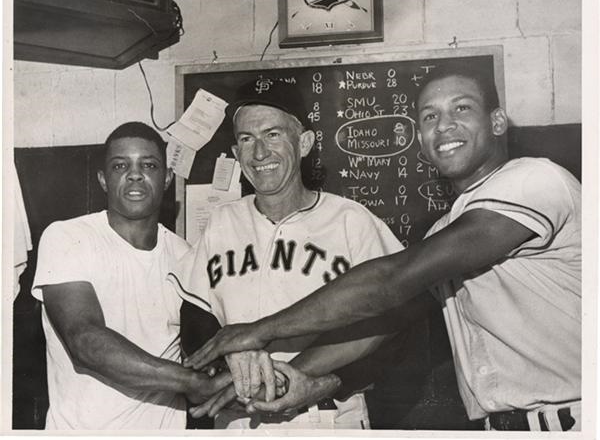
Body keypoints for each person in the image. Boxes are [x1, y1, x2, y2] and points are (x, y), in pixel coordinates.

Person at [186, 65, 582, 432]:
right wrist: (299, 377)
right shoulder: (446, 228)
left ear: (497, 122)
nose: (444, 126)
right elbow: (387, 318)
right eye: (429, 117)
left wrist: (256, 333)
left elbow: (389, 284)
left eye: (461, 108)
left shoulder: (536, 180)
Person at [171, 79, 404, 429]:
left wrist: (327, 382)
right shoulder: (223, 221)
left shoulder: (351, 221)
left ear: (305, 142)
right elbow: (194, 319)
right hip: (240, 418)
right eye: (247, 139)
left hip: (327, 415)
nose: (259, 153)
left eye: (273, 134)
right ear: (236, 154)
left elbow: (395, 326)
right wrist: (231, 358)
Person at [31, 122, 231, 430]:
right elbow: (85, 342)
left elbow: (207, 348)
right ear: (103, 179)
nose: (134, 174)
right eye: (120, 165)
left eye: (148, 165)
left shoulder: (187, 256)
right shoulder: (67, 237)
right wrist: (190, 381)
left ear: (166, 179)